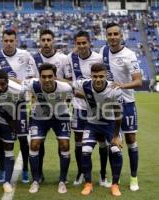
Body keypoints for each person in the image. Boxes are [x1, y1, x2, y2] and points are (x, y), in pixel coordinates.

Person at [100, 22, 142, 191]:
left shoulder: (129, 55)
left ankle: (133, 178)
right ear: (106, 36)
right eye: (109, 34)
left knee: (131, 141)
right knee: (113, 142)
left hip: (127, 103)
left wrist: (121, 86)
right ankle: (113, 177)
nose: (112, 37)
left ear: (121, 35)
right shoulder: (103, 51)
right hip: (110, 105)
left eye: (115, 34)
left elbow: (138, 81)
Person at [0, 29, 37, 183]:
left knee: (23, 139)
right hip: (2, 104)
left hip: (21, 103)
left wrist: (16, 83)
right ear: (2, 41)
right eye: (6, 41)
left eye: (12, 40)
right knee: (1, 140)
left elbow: (31, 79)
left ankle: (25, 169)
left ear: (16, 40)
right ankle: (3, 169)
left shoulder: (25, 55)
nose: (9, 43)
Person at [68, 31, 110, 187]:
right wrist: (73, 91)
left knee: (101, 142)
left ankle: (103, 175)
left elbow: (106, 81)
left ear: (89, 42)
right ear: (75, 44)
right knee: (79, 142)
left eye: (84, 43)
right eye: (78, 43)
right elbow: (68, 79)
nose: (81, 46)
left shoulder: (98, 59)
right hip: (79, 108)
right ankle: (81, 173)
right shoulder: (70, 58)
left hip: (97, 108)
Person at [74, 63, 123, 197]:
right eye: (95, 76)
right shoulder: (84, 84)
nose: (98, 79)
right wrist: (84, 96)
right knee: (85, 151)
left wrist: (116, 136)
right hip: (92, 124)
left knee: (115, 151)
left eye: (101, 76)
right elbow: (69, 86)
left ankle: (115, 185)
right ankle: (88, 183)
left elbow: (118, 114)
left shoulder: (114, 89)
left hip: (110, 124)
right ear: (91, 76)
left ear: (106, 75)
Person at [32, 29, 72, 183]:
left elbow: (69, 81)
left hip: (59, 108)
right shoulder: (33, 58)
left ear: (53, 41)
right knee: (37, 143)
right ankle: (39, 175)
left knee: (62, 142)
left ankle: (63, 177)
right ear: (39, 41)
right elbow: (31, 81)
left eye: (49, 39)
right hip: (41, 108)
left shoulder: (63, 58)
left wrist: (65, 102)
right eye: (43, 40)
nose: (46, 42)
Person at [26, 63, 72, 194]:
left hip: (60, 116)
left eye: (50, 76)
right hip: (39, 117)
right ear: (39, 77)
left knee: (64, 145)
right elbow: (18, 84)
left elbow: (70, 98)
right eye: (43, 77)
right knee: (34, 144)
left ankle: (62, 180)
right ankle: (35, 180)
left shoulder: (65, 87)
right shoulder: (32, 84)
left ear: (55, 76)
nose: (46, 80)